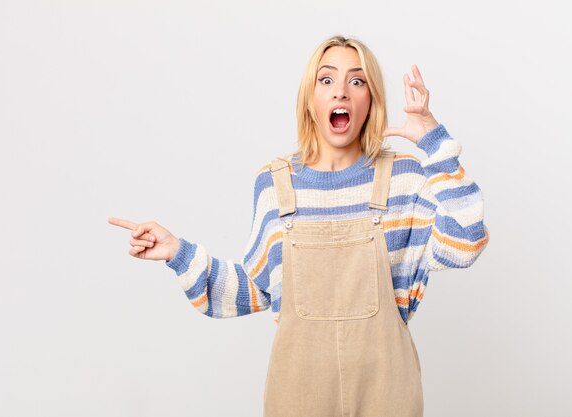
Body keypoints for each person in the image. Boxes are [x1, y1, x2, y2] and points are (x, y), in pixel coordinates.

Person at [109, 35, 490, 417]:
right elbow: (257, 289)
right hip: (298, 396)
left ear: (370, 100)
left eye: (357, 82)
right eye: (326, 80)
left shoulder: (404, 179)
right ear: (310, 99)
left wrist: (433, 141)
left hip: (387, 395)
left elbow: (466, 241)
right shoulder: (275, 184)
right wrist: (178, 252)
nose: (341, 91)